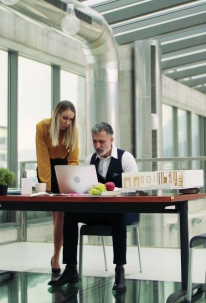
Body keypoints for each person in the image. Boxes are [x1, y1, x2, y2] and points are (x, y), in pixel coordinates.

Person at [48, 122, 138, 291]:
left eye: (101, 142)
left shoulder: (126, 158)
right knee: (70, 213)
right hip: (99, 210)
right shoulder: (90, 159)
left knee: (118, 214)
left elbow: (133, 188)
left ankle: (120, 271)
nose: (98, 145)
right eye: (94, 141)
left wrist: (112, 189)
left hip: (124, 210)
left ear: (112, 139)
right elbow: (84, 186)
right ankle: (71, 269)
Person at [36, 100, 79, 275]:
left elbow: (74, 160)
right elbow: (43, 159)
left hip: (64, 169)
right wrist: (46, 188)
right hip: (47, 169)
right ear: (56, 114)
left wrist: (71, 183)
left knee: (60, 214)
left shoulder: (72, 130)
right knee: (56, 215)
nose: (67, 122)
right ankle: (56, 256)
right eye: (64, 118)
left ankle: (56, 257)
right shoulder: (41, 127)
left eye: (70, 119)